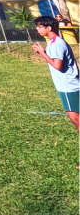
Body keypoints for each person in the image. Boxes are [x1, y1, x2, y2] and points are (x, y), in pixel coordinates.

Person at [32, 16, 80, 166]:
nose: (37, 28)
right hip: (72, 86)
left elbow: (58, 65)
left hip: (68, 88)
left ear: (49, 28)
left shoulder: (56, 44)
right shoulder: (55, 43)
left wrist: (42, 52)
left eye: (39, 26)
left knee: (78, 124)